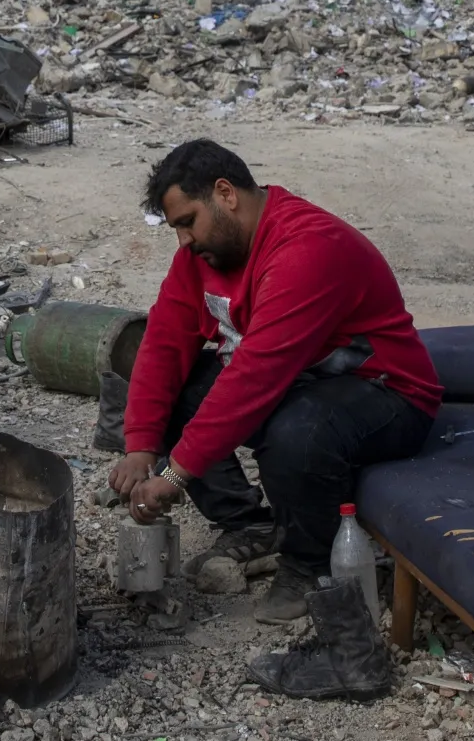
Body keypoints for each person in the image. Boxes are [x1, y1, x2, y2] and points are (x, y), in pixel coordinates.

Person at [108, 140, 440, 637]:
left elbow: (254, 380)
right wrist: (140, 446)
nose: (183, 241)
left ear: (226, 194)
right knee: (187, 386)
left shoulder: (307, 248)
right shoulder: (203, 256)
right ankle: (249, 524)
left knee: (297, 430)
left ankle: (309, 564)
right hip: (302, 380)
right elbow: (163, 346)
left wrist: (172, 476)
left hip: (388, 394)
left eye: (187, 222)